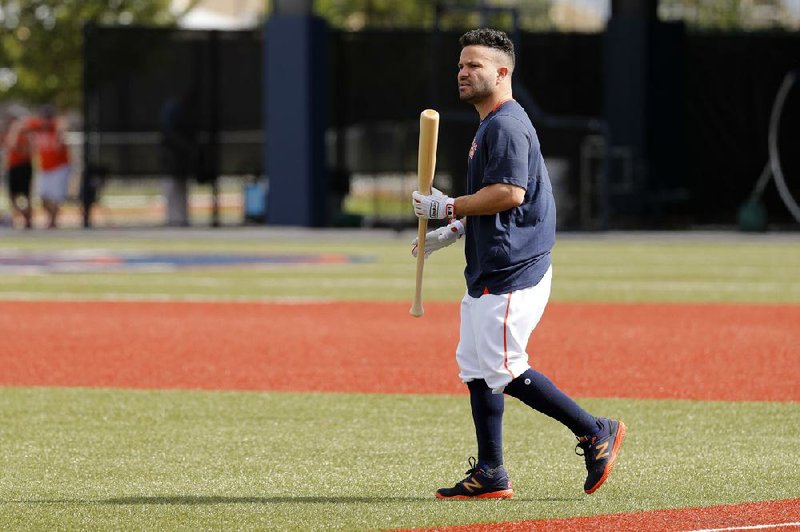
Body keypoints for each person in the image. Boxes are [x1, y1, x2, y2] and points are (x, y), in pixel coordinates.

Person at [411, 28, 626, 500]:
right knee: (475, 367)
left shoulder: (505, 124)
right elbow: (498, 204)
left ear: (502, 72)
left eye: (475, 66)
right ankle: (491, 472)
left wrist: (447, 208)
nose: (463, 73)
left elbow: (511, 194)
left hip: (513, 270)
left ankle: (595, 429)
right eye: (461, 65)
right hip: (491, 266)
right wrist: (452, 229)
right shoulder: (490, 125)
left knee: (504, 368)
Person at [31, 105, 71, 229]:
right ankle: (52, 218)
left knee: (56, 197)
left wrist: (59, 129)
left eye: (48, 118)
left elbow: (59, 144)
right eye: (44, 118)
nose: (45, 121)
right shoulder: (36, 128)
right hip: (44, 168)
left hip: (59, 167)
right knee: (42, 197)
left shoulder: (57, 128)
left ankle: (52, 223)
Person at [1, 109, 35, 228]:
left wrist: (17, 131)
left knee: (26, 195)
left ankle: (28, 220)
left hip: (23, 166)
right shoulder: (8, 132)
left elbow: (25, 150)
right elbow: (8, 146)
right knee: (12, 195)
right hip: (12, 167)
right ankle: (22, 215)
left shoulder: (25, 133)